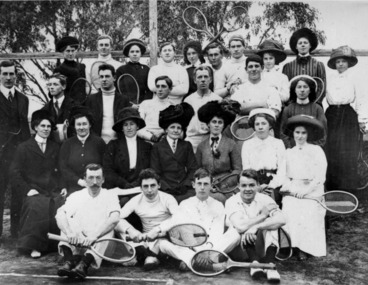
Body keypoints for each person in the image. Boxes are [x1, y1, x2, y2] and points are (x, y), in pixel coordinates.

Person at [10, 110, 65, 258]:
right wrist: (27, 190)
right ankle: (33, 246)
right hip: (33, 189)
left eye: (48, 126)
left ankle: (56, 245)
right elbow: (14, 173)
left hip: (52, 190)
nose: (46, 129)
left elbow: (60, 170)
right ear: (35, 127)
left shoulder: (55, 147)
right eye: (42, 126)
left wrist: (63, 186)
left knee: (61, 204)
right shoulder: (24, 147)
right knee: (37, 206)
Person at [55, 164, 120, 279]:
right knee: (65, 220)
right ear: (84, 179)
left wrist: (94, 236)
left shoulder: (110, 195)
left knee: (108, 229)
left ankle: (84, 265)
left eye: (98, 177)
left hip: (99, 245)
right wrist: (70, 233)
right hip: (79, 242)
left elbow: (114, 219)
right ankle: (69, 262)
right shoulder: (76, 196)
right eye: (90, 178)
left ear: (103, 179)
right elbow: (59, 215)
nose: (94, 182)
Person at [225, 169, 286, 282]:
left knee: (271, 224)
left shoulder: (266, 199)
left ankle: (270, 264)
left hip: (263, 249)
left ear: (258, 185)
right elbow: (240, 226)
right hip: (241, 251)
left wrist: (256, 227)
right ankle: (254, 263)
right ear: (238, 186)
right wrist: (263, 216)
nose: (248, 189)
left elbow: (282, 219)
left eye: (252, 185)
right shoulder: (231, 201)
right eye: (244, 185)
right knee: (244, 225)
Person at [280, 115, 327, 260]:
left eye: (303, 133)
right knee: (289, 207)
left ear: (308, 135)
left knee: (309, 210)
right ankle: (292, 245)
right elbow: (284, 176)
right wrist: (287, 188)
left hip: (313, 190)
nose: (300, 136)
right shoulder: (288, 153)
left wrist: (306, 191)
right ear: (293, 134)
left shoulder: (316, 150)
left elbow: (320, 176)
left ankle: (305, 248)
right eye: (297, 132)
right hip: (294, 189)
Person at [115, 168, 180, 270]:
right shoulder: (136, 200)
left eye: (153, 185)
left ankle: (143, 257)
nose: (149, 190)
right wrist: (132, 231)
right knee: (118, 224)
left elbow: (178, 218)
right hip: (144, 240)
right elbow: (116, 219)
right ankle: (149, 256)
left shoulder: (168, 198)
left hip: (164, 237)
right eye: (145, 186)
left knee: (164, 244)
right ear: (140, 188)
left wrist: (158, 230)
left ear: (159, 185)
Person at [325, 46, 368, 190]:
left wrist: (362, 120)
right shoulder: (330, 77)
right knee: (331, 149)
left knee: (347, 150)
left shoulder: (354, 77)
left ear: (348, 62)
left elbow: (361, 98)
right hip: (331, 115)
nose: (341, 64)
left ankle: (348, 189)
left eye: (343, 61)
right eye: (338, 62)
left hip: (347, 115)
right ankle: (332, 188)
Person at [0, 60, 31, 238]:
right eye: (5, 74)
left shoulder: (23, 99)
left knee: (18, 192)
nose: (9, 77)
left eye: (11, 74)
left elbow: (25, 129)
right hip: (0, 154)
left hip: (17, 155)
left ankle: (16, 232)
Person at [150, 103, 198, 203]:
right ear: (166, 129)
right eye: (172, 127)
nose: (176, 130)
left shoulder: (186, 145)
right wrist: (166, 187)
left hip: (184, 188)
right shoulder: (157, 147)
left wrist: (186, 184)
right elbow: (155, 171)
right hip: (165, 189)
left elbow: (193, 168)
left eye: (178, 128)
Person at [196, 101, 242, 203]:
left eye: (220, 122)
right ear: (208, 124)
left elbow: (237, 170)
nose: (216, 125)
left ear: (223, 125)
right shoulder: (201, 146)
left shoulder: (231, 144)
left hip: (228, 187)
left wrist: (223, 185)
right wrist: (207, 184)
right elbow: (198, 170)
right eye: (214, 122)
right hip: (207, 186)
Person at [103, 107, 152, 196]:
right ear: (122, 128)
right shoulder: (113, 145)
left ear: (137, 126)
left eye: (132, 124)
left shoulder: (146, 146)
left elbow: (149, 169)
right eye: (125, 125)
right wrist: (123, 184)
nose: (129, 128)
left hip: (140, 187)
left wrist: (136, 184)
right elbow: (107, 170)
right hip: (118, 187)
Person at [59, 106, 106, 194]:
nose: (81, 127)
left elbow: (105, 165)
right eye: (78, 124)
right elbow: (63, 168)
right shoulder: (67, 144)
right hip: (74, 187)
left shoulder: (99, 142)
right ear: (74, 126)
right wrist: (78, 181)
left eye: (84, 124)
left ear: (90, 125)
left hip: (96, 186)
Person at [85, 63, 129, 143]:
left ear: (114, 78)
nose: (104, 79)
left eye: (107, 76)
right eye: (101, 77)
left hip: (118, 142)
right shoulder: (91, 99)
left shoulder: (123, 99)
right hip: (96, 143)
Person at [280, 75, 327, 148]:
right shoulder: (288, 109)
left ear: (310, 90)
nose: (302, 90)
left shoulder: (318, 109)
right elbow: (283, 133)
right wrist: (290, 148)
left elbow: (323, 132)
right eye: (299, 87)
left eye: (305, 87)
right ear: (294, 90)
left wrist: (314, 149)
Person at [282, 28, 326, 105]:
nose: (303, 45)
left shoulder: (319, 65)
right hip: (294, 106)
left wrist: (314, 104)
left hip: (314, 105)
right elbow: (285, 89)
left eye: (305, 42)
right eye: (300, 43)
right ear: (296, 46)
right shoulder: (288, 66)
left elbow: (322, 88)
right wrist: (291, 105)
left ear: (310, 45)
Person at [184, 65, 222, 152]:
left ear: (210, 79)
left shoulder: (217, 100)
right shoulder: (188, 100)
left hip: (211, 138)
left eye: (206, 76)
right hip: (192, 139)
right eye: (200, 77)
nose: (203, 80)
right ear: (194, 80)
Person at [115, 38, 152, 105]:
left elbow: (150, 89)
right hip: (127, 104)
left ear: (141, 53)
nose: (135, 54)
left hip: (144, 104)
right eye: (132, 52)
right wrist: (130, 104)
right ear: (128, 54)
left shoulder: (146, 69)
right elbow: (118, 91)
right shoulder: (121, 70)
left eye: (137, 51)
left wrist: (144, 103)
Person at [42, 73, 76, 143]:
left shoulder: (74, 106)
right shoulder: (45, 109)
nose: (51, 87)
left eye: (55, 84)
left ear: (63, 86)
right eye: (49, 84)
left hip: (70, 147)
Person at [137, 76, 173, 142]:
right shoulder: (145, 104)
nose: (160, 89)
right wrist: (151, 137)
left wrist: (162, 135)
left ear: (170, 89)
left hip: (165, 142)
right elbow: (138, 127)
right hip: (145, 141)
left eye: (163, 86)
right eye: (158, 86)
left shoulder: (173, 107)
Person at [54, 36, 86, 103]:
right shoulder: (59, 70)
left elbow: (84, 87)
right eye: (68, 51)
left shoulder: (82, 67)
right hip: (67, 105)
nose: (70, 54)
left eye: (73, 51)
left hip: (82, 104)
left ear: (76, 51)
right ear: (63, 52)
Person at [257, 39, 290, 104]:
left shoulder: (282, 77)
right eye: (265, 59)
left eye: (271, 58)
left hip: (276, 106)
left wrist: (273, 91)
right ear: (262, 60)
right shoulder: (258, 75)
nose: (268, 61)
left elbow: (286, 97)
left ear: (275, 59)